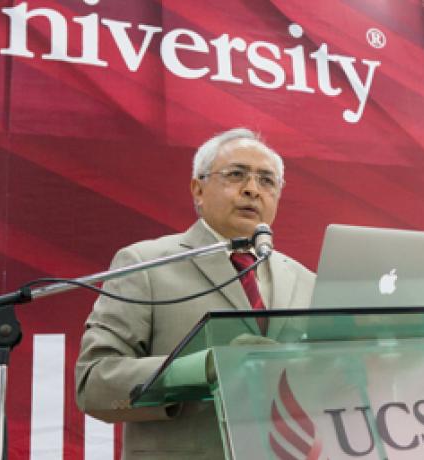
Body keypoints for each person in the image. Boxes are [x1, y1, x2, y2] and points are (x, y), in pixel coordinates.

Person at [75, 128, 316, 459]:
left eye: (267, 181)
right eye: (236, 175)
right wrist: (201, 368)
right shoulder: (144, 264)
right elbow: (94, 383)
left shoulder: (307, 281)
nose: (252, 190)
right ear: (198, 189)